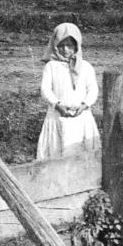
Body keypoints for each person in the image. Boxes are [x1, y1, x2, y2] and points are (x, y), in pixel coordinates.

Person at [37, 22, 100, 159]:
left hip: (81, 117)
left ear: (77, 45)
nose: (65, 49)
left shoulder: (85, 67)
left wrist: (84, 105)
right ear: (55, 46)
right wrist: (57, 105)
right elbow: (45, 89)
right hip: (57, 116)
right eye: (61, 45)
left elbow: (93, 89)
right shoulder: (51, 66)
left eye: (70, 45)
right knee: (56, 155)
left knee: (83, 156)